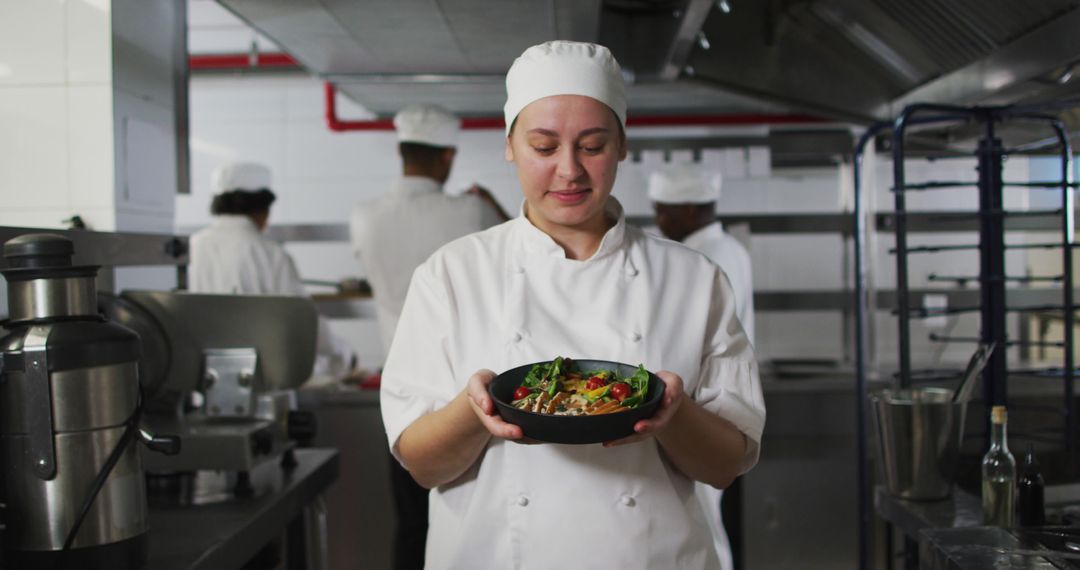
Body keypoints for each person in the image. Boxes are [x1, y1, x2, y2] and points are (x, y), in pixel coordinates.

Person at [379, 40, 765, 570]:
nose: (569, 171)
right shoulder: (451, 274)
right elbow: (422, 466)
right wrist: (476, 410)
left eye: (592, 145)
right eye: (543, 147)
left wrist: (674, 415)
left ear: (623, 145)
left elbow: (727, 465)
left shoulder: (694, 279)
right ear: (510, 144)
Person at [349, 104, 508, 570]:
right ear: (446, 158)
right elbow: (521, 247)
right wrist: (494, 204)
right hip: (468, 395)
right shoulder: (471, 210)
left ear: (402, 153)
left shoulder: (365, 216)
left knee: (413, 519)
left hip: (399, 391)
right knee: (469, 520)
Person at [649, 164, 757, 570]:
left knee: (701, 523)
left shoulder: (701, 259)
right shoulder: (732, 248)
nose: (659, 220)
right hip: (704, 407)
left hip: (697, 410)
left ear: (690, 210)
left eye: (664, 211)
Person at [189, 161, 358, 380]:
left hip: (203, 379)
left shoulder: (193, 245)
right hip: (259, 382)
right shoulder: (268, 252)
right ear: (262, 209)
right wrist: (344, 355)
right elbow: (303, 324)